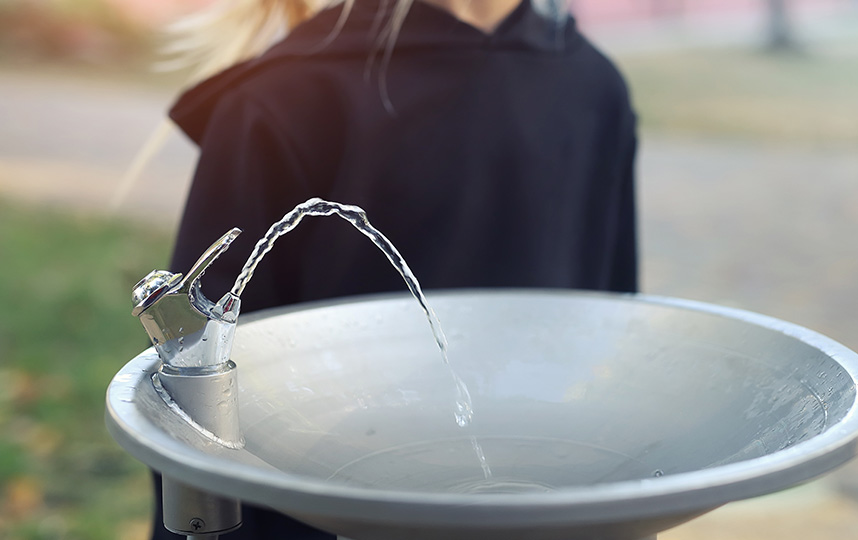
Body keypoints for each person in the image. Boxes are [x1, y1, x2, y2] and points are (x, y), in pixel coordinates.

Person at [154, 0, 639, 538]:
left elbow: (611, 327)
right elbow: (199, 392)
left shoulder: (594, 88)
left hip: (542, 505)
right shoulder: (288, 95)